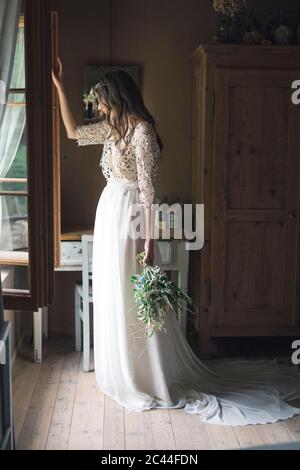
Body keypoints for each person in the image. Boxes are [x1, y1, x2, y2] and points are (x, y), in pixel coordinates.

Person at [52, 59, 300, 426]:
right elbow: (73, 131)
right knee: (114, 291)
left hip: (131, 216)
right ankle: (122, 369)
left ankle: (146, 373)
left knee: (131, 293)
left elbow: (150, 194)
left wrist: (149, 242)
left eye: (103, 101)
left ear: (118, 98)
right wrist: (58, 84)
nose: (99, 107)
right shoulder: (112, 129)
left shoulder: (142, 133)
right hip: (109, 214)